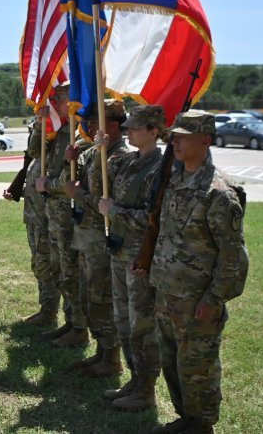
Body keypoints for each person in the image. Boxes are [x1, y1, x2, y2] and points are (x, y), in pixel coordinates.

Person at [146, 110, 248, 434]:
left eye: (183, 135)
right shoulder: (174, 181)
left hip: (197, 304)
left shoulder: (218, 193)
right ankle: (187, 419)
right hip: (168, 295)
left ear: (205, 140)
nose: (175, 140)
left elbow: (233, 257)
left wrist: (215, 299)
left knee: (197, 369)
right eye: (174, 135)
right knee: (172, 364)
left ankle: (202, 425)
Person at [97, 105, 166, 410]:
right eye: (128, 128)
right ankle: (135, 380)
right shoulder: (128, 160)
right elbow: (102, 174)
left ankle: (146, 389)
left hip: (140, 257)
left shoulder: (159, 169)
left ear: (154, 132)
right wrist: (99, 147)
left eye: (136, 128)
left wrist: (115, 211)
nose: (129, 132)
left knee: (141, 325)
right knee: (123, 320)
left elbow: (154, 217)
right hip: (120, 249)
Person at [64, 99, 130, 378]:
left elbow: (106, 201)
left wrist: (78, 195)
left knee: (102, 300)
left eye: (95, 123)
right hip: (87, 239)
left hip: (102, 242)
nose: (89, 127)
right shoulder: (97, 152)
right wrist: (72, 158)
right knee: (90, 298)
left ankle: (112, 358)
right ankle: (101, 353)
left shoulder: (120, 158)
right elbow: (82, 166)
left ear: (113, 125)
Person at [35, 82, 88, 346]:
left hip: (67, 215)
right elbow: (37, 152)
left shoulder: (80, 134)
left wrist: (48, 186)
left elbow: (70, 182)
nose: (53, 102)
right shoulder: (59, 132)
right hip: (55, 214)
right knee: (60, 269)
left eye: (60, 98)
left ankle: (79, 328)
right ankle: (70, 323)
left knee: (71, 272)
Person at [4, 122, 60, 327]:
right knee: (38, 264)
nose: (32, 137)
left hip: (45, 221)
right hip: (33, 219)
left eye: (35, 133)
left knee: (46, 265)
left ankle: (50, 312)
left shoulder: (50, 157)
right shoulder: (35, 159)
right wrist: (15, 191)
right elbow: (30, 182)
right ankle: (45, 309)